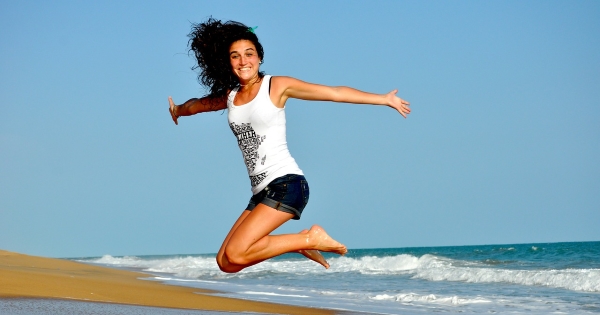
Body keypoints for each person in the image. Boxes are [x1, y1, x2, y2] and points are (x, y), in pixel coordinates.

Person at [168, 18, 410, 273]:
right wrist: (178, 110)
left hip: (286, 185)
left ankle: (309, 238)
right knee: (226, 262)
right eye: (235, 56)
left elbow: (333, 92)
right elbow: (197, 105)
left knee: (237, 252)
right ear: (228, 62)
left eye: (249, 54)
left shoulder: (276, 86)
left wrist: (383, 99)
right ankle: (299, 243)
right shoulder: (230, 96)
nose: (243, 61)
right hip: (261, 191)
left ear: (259, 57)